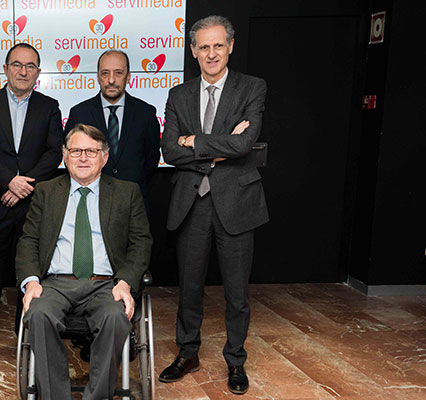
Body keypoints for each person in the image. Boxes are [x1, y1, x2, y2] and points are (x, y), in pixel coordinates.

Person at [158, 15, 268, 395]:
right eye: (203, 47)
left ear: (231, 46)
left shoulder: (252, 88)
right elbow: (170, 150)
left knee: (237, 292)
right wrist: (220, 144)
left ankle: (235, 360)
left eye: (218, 45)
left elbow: (245, 144)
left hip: (237, 202)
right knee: (189, 287)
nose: (211, 53)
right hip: (192, 201)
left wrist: (196, 142)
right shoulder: (178, 94)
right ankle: (187, 352)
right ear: (192, 51)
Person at [16, 123, 152, 400]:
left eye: (91, 151)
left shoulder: (127, 192)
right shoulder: (46, 191)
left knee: (116, 317)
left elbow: (141, 243)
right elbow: (28, 240)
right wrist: (31, 282)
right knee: (38, 314)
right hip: (55, 283)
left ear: (105, 156)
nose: (83, 157)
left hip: (106, 284)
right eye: (76, 151)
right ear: (64, 156)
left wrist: (125, 282)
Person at [0, 43, 64, 361]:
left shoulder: (50, 106)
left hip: (33, 206)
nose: (23, 71)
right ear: (6, 69)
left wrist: (24, 185)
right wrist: (9, 181)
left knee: (36, 275)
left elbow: (54, 152)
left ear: (38, 71)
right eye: (17, 65)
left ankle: (39, 336)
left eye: (31, 66)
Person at [64, 50, 160, 209]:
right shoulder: (79, 113)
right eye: (105, 73)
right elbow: (70, 157)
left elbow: (151, 159)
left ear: (128, 77)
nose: (111, 80)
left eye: (118, 73)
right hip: (90, 202)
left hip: (134, 203)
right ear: (97, 77)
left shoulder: (146, 113)